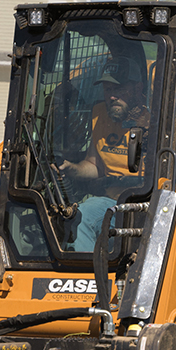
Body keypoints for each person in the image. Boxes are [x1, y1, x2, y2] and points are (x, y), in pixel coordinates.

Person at [59, 59, 151, 251]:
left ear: (138, 88)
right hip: (111, 201)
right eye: (108, 90)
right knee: (80, 216)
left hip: (149, 203)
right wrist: (72, 169)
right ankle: (85, 277)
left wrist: (153, 128)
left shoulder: (159, 117)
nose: (111, 97)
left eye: (119, 89)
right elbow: (95, 166)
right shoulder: (100, 114)